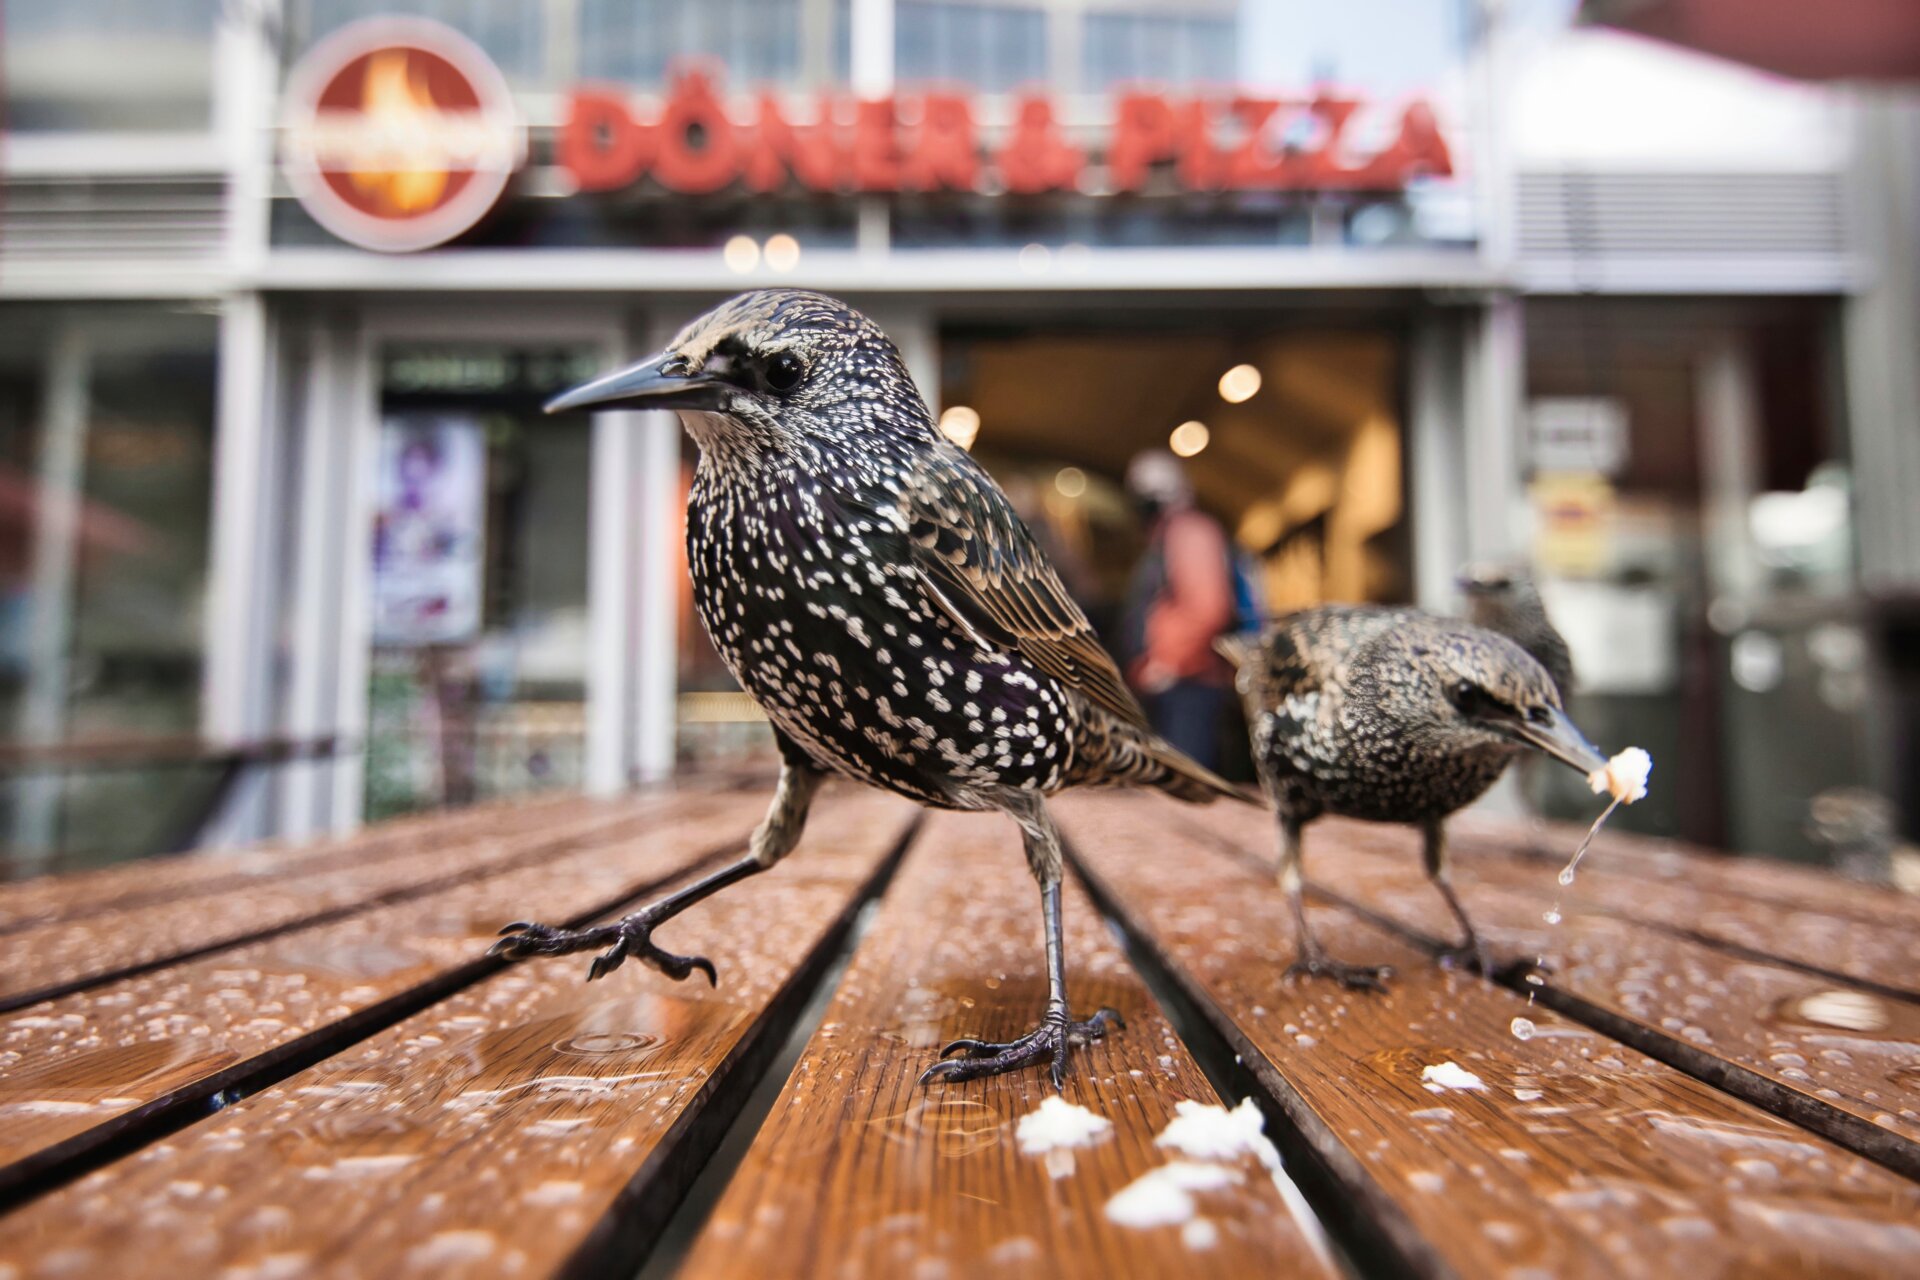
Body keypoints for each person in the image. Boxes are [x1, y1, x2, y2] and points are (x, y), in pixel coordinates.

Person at [1120, 449, 1236, 770]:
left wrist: (1167, 663)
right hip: (1172, 685)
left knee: (1186, 790)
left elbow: (1209, 606)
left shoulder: (1190, 532)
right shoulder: (1168, 536)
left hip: (1188, 686)